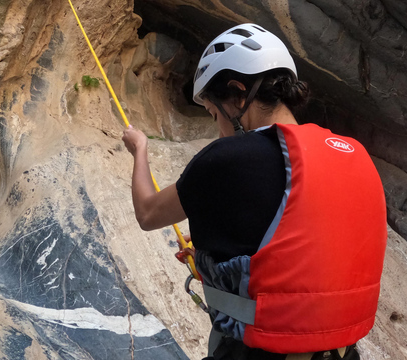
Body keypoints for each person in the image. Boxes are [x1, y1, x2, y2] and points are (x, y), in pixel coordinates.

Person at [122, 23, 387, 360]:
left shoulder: (227, 158)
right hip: (341, 352)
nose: (218, 129)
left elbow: (147, 213)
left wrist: (140, 150)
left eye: (213, 112)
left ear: (238, 93)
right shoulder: (352, 155)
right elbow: (300, 237)